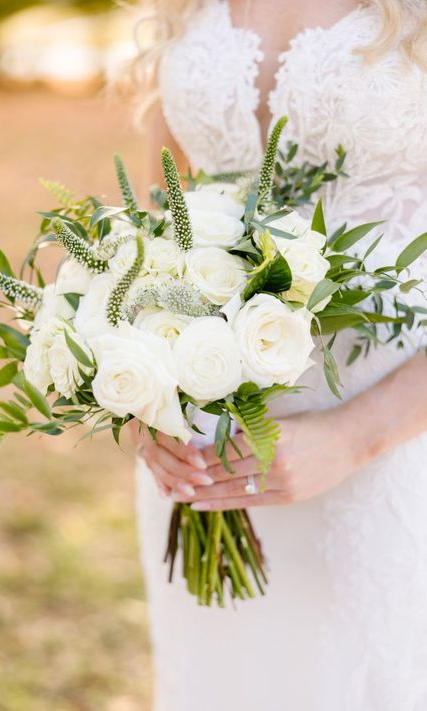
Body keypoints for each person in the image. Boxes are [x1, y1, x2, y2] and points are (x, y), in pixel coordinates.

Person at [128, 1, 427, 708]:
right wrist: (140, 388)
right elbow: (158, 218)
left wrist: (354, 439)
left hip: (395, 446)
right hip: (208, 452)